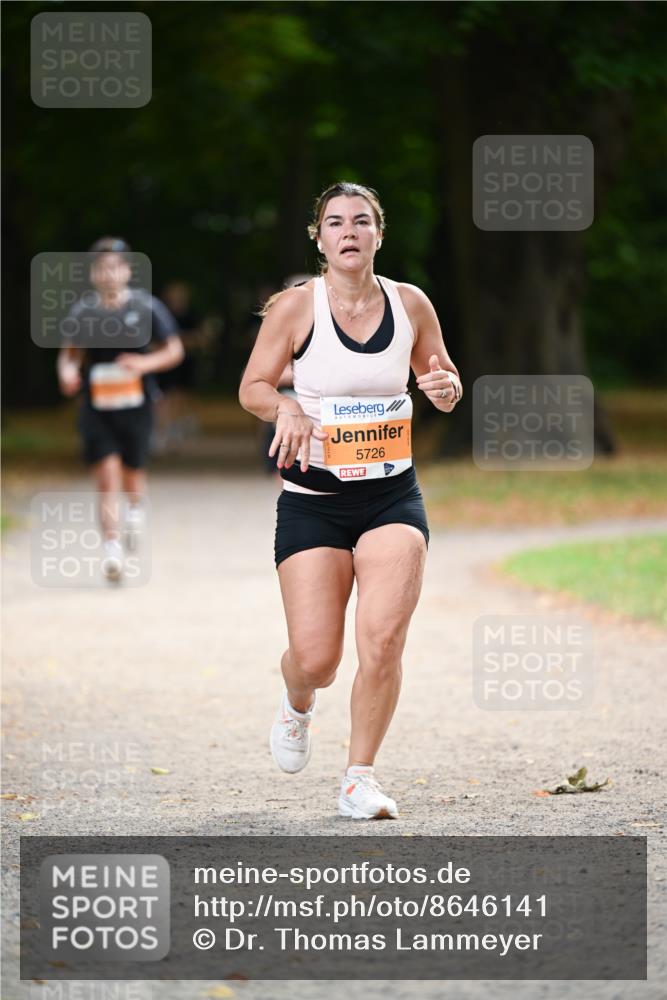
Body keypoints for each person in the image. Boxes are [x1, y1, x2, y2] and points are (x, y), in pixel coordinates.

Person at [239, 182, 462, 819]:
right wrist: (283, 406)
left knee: (383, 640)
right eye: (335, 222)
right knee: (318, 657)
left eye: (361, 222)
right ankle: (296, 700)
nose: (349, 232)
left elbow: (440, 378)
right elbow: (252, 386)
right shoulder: (295, 307)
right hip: (313, 500)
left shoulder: (411, 304)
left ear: (378, 235)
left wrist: (445, 389)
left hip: (393, 497)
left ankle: (358, 778)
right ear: (319, 237)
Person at [57, 238, 184, 581]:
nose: (109, 274)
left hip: (137, 404)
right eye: (101, 268)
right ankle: (111, 550)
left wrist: (144, 364)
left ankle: (135, 509)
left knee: (132, 473)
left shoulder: (148, 308)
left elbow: (174, 351)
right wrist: (67, 373)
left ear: (127, 271)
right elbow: (69, 355)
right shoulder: (83, 312)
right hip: (97, 407)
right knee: (105, 476)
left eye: (115, 267)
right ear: (93, 274)